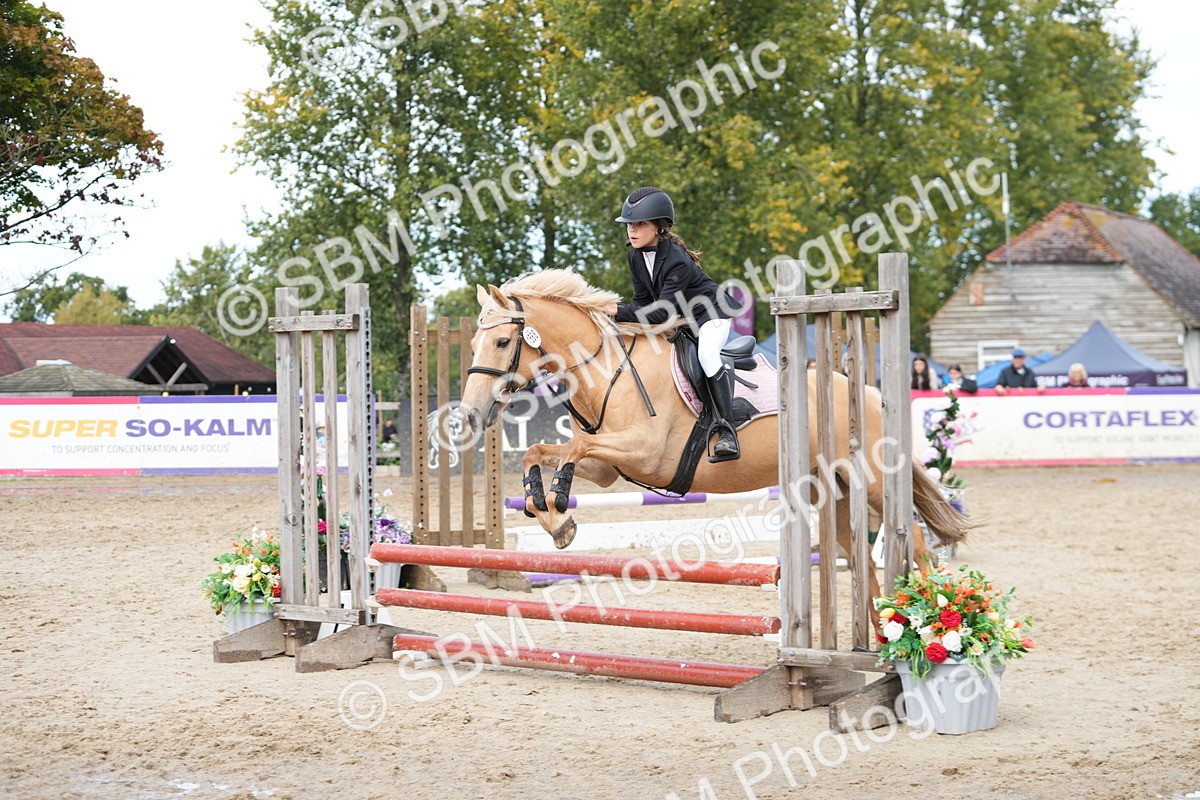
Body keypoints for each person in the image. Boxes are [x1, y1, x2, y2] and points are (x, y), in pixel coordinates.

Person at [604, 186, 742, 462]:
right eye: (629, 224)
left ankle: (727, 430)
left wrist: (617, 310)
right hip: (683, 319)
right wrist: (619, 315)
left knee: (706, 354)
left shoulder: (677, 261)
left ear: (659, 227)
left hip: (710, 314)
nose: (632, 230)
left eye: (640, 224)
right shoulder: (635, 256)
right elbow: (642, 303)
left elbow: (661, 313)